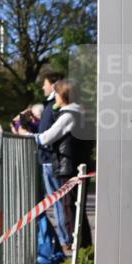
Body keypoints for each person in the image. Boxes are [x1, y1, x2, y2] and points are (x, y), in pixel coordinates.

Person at [34, 79, 92, 251]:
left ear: (63, 95)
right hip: (79, 165)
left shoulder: (68, 115)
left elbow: (45, 138)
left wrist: (27, 136)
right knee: (77, 209)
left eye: (56, 93)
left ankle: (79, 250)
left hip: (70, 167)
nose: (55, 97)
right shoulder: (81, 113)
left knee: (71, 210)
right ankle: (85, 248)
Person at [19, 72, 73, 249]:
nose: (43, 87)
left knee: (59, 202)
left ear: (55, 86)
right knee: (59, 203)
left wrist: (27, 134)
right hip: (49, 160)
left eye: (45, 84)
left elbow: (47, 136)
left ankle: (66, 239)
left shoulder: (55, 108)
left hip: (52, 161)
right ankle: (66, 237)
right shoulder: (51, 107)